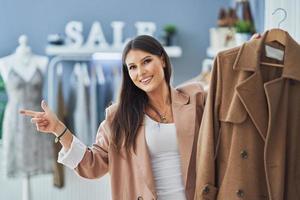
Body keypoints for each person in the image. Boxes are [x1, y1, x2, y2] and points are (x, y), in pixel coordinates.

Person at [20, 35, 205, 200]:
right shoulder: (119, 117)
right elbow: (93, 165)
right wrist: (58, 129)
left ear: (163, 60)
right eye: (132, 67)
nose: (141, 72)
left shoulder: (196, 99)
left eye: (146, 61)